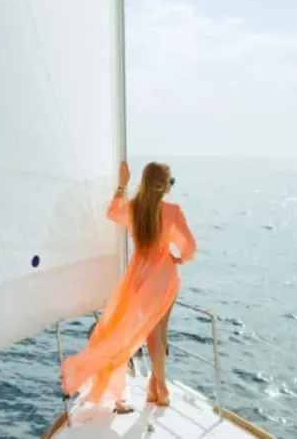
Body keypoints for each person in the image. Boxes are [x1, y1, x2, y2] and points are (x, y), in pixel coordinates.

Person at [60, 160, 197, 410]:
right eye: (170, 181)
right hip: (165, 277)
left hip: (139, 278)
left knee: (148, 333)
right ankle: (161, 390)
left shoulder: (135, 209)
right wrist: (179, 258)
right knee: (159, 334)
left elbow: (113, 212)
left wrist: (122, 185)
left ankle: (156, 387)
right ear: (164, 185)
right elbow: (190, 247)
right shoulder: (173, 210)